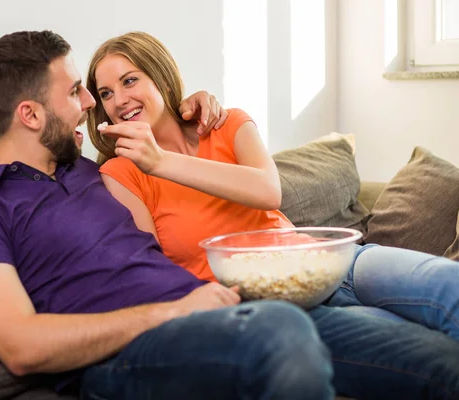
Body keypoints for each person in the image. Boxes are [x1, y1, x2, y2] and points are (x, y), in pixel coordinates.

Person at [0, 30, 459, 400]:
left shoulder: (95, 175)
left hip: (229, 314)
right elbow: (20, 346)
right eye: (76, 92)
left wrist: (194, 104)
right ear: (29, 114)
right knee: (279, 330)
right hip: (130, 355)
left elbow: (193, 178)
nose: (92, 104)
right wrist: (173, 311)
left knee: (437, 358)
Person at [88, 31, 459, 342]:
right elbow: (152, 273)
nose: (119, 100)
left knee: (448, 285)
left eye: (129, 80)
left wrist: (163, 161)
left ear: (162, 78)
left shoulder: (225, 123)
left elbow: (268, 190)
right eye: (105, 94)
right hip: (272, 302)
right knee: (425, 347)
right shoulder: (122, 174)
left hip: (329, 261)